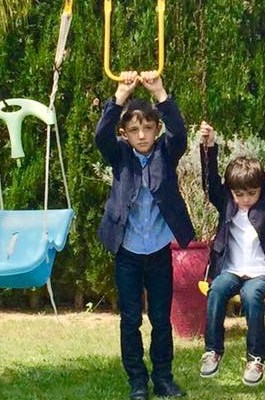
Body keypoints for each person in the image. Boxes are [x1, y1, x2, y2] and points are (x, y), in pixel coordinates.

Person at [94, 70, 192, 400]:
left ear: (156, 129)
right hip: (129, 252)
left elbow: (180, 133)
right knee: (131, 319)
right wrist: (120, 95)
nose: (142, 135)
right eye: (134, 130)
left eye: (148, 128)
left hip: (159, 251)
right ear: (124, 133)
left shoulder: (166, 151)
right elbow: (101, 136)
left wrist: (160, 93)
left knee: (161, 319)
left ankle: (163, 378)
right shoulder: (119, 155)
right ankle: (137, 380)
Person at [196, 121, 265, 387]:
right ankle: (213, 351)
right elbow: (209, 182)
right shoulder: (226, 203)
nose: (246, 199)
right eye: (239, 194)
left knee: (251, 296)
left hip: (261, 272)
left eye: (252, 193)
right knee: (216, 290)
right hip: (231, 269)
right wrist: (208, 147)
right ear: (230, 192)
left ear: (261, 189)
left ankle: (255, 358)